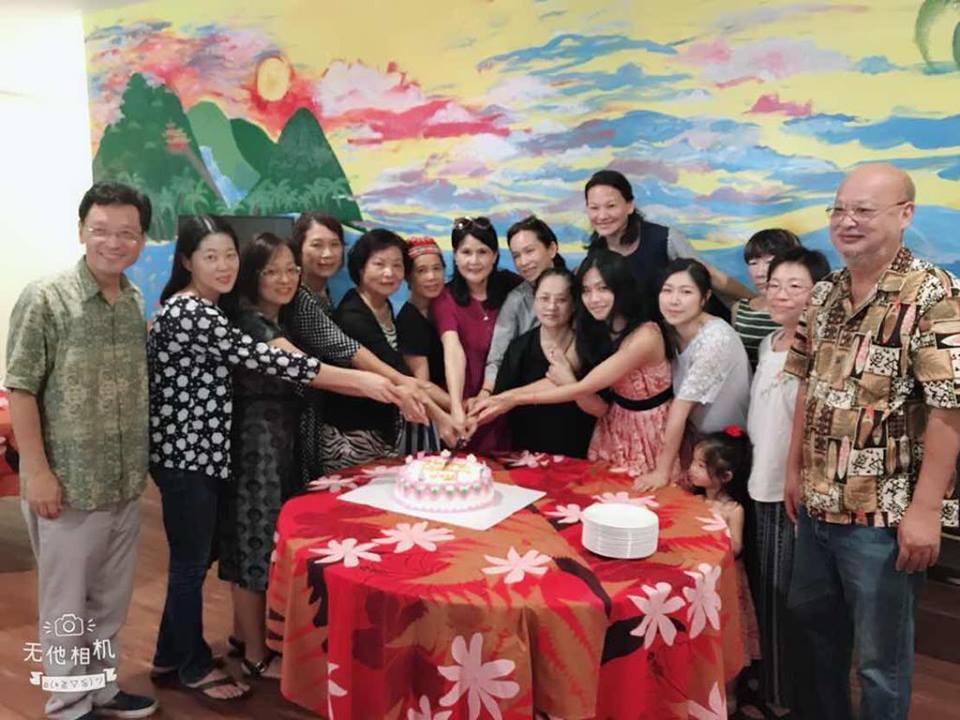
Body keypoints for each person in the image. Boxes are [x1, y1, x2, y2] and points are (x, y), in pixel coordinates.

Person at [148, 216, 411, 702]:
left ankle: (171, 654)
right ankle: (193, 665)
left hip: (208, 454)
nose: (223, 266)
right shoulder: (194, 311)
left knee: (200, 559)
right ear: (186, 260)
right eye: (211, 256)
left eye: (229, 255)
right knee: (195, 563)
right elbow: (275, 361)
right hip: (191, 456)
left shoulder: (212, 307)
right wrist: (370, 383)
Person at [784, 164, 960, 720]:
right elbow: (807, 384)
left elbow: (950, 406)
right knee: (817, 640)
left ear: (905, 214)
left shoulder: (933, 293)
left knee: (881, 663)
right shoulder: (825, 293)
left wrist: (926, 511)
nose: (847, 221)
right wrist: (793, 470)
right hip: (817, 504)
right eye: (839, 209)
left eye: (863, 210)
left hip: (883, 517)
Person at [5, 181, 159, 719]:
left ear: (141, 240)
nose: (113, 242)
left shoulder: (133, 300)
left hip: (122, 480)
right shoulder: (46, 298)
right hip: (67, 485)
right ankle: (69, 704)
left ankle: (101, 688)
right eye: (101, 230)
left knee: (109, 600)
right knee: (66, 604)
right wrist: (37, 473)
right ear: (81, 232)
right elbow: (20, 388)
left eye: (126, 233)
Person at [473, 250, 678, 479]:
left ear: (621, 288)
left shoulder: (645, 336)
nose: (594, 299)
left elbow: (582, 387)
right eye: (587, 291)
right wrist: (499, 400)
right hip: (615, 428)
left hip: (652, 429)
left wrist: (514, 399)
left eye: (603, 288)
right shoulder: (598, 331)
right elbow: (555, 379)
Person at [746, 246, 830, 716]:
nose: (780, 294)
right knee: (766, 591)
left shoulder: (819, 349)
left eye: (795, 286)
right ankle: (773, 691)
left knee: (786, 599)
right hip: (761, 480)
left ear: (818, 293)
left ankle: (785, 701)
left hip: (791, 491)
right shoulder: (770, 342)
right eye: (775, 284)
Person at [218, 232, 303, 681]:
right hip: (257, 447)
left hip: (274, 441)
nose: (284, 279)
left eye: (291, 269)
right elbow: (304, 369)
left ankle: (241, 635)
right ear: (253, 275)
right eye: (272, 271)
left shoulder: (273, 318)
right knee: (255, 542)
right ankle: (255, 654)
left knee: (253, 539)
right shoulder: (253, 324)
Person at [287, 214, 426, 482]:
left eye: (335, 245)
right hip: (310, 414)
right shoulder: (301, 298)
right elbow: (346, 348)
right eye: (317, 245)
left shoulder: (325, 295)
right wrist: (433, 405)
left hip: (329, 410)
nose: (327, 253)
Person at [324, 229, 453, 468]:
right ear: (361, 268)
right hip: (353, 436)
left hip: (382, 430)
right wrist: (448, 412)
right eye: (379, 264)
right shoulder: (353, 317)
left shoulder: (384, 307)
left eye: (396, 265)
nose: (389, 273)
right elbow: (398, 374)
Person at [636, 258, 751, 491]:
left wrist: (662, 472)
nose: (674, 300)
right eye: (667, 290)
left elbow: (681, 408)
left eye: (686, 292)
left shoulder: (716, 338)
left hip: (725, 454)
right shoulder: (667, 330)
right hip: (698, 444)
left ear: (705, 297)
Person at [583, 169, 752, 319]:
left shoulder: (665, 239)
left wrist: (755, 301)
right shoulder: (595, 255)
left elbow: (711, 277)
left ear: (630, 206)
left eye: (611, 206)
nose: (602, 216)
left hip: (696, 331)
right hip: (648, 336)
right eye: (594, 208)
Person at [432, 217, 522, 452]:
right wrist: (456, 408)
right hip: (468, 409)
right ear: (455, 255)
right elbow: (453, 350)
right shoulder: (445, 299)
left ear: (495, 256)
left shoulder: (513, 290)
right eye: (466, 252)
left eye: (482, 252)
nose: (474, 261)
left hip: (509, 407)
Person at [688, 428, 761, 710]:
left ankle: (729, 694)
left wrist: (713, 539)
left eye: (700, 465)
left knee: (727, 635)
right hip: (700, 580)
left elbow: (737, 545)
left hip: (727, 582)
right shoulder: (693, 501)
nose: (692, 470)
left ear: (726, 476)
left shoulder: (733, 510)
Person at [492, 268, 596, 457]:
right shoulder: (519, 348)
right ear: (534, 301)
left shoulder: (588, 347)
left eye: (561, 300)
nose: (552, 306)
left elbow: (601, 407)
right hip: (528, 455)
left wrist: (570, 382)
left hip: (581, 454)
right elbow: (501, 399)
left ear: (574, 304)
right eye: (544, 298)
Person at [481, 215, 564, 394]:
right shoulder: (516, 299)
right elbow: (497, 358)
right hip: (528, 394)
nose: (523, 262)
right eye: (516, 256)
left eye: (529, 251)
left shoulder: (579, 289)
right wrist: (486, 392)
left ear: (552, 249)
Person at [730, 228, 800, 368]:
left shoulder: (802, 310)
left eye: (769, 262)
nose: (760, 273)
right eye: (753, 263)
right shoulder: (740, 309)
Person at [397, 236, 449, 391]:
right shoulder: (409, 321)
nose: (431, 277)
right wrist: (457, 404)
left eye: (437, 268)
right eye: (421, 271)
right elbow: (423, 386)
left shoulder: (449, 306)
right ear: (408, 276)